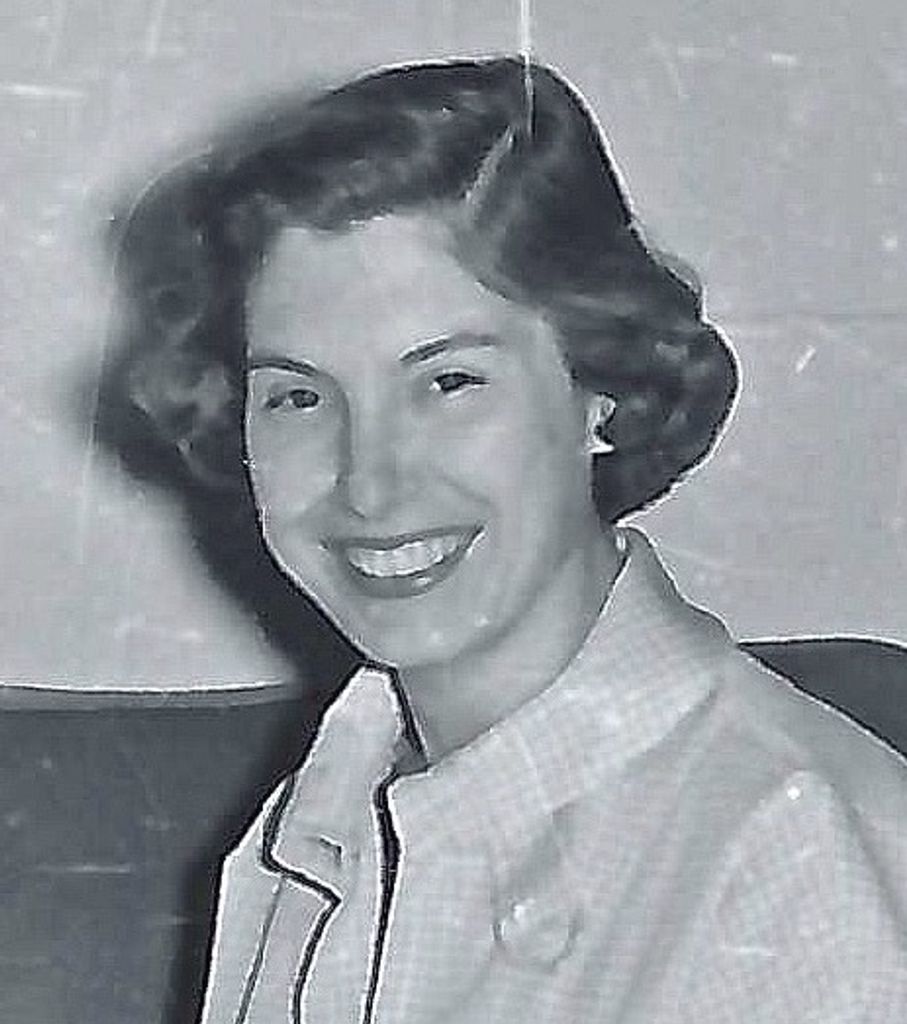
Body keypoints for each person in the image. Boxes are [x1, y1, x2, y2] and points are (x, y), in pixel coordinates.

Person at [110, 57, 907, 1023]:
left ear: (600, 386)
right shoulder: (318, 825)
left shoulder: (798, 864)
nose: (369, 483)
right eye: (298, 397)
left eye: (448, 382)